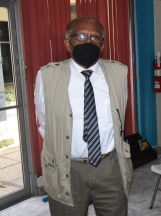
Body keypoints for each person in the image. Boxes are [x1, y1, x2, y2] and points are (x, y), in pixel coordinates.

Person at [34, 17, 132, 216]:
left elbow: (119, 117)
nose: (89, 42)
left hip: (109, 167)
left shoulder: (118, 72)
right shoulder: (47, 76)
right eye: (81, 36)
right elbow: (45, 124)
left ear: (102, 44)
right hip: (67, 168)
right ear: (67, 42)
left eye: (96, 38)